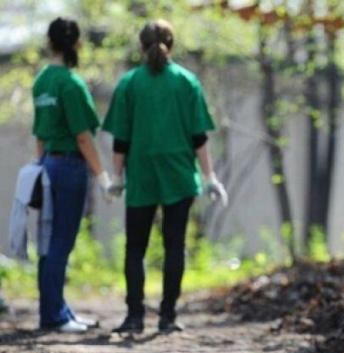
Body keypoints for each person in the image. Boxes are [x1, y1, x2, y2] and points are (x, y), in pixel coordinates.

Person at [102, 19, 227, 334]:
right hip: (178, 175)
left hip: (142, 174)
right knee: (175, 246)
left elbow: (121, 140)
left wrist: (116, 178)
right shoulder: (186, 82)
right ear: (171, 45)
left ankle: (134, 318)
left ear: (141, 46)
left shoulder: (130, 83)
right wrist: (210, 176)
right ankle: (168, 317)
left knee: (135, 248)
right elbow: (199, 137)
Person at [32, 17, 112, 333]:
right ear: (76, 44)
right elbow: (83, 137)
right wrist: (103, 176)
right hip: (69, 168)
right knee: (61, 242)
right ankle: (55, 316)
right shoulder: (71, 83)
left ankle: (55, 309)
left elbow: (39, 134)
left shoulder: (41, 82)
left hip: (47, 164)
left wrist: (39, 169)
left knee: (47, 241)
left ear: (49, 43)